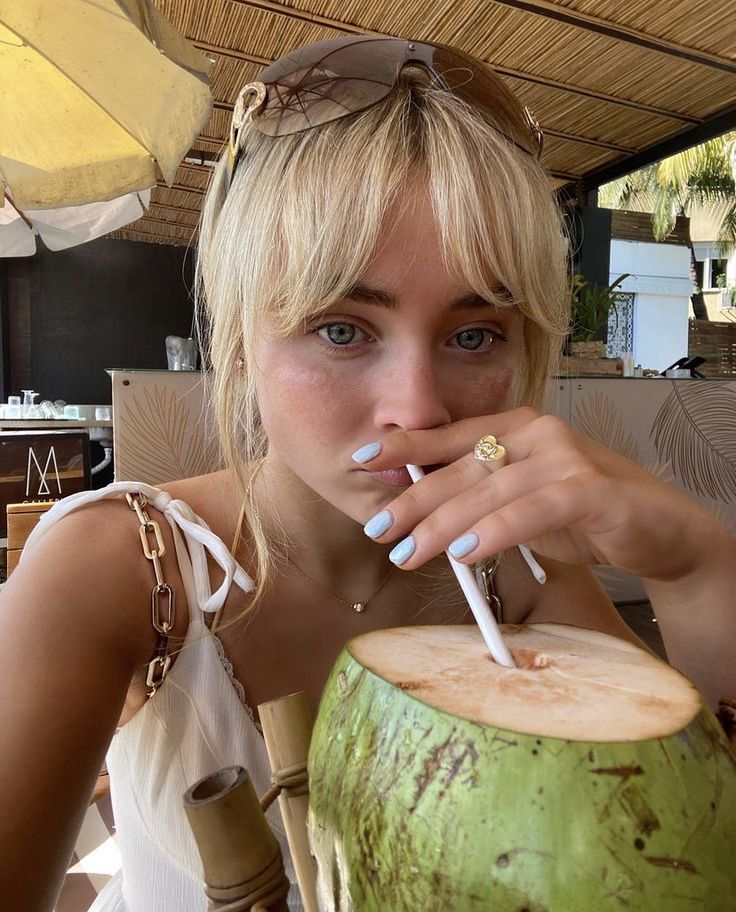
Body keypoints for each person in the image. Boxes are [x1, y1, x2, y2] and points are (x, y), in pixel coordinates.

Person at [1, 35, 733, 912]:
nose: (418, 411)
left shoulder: (518, 572)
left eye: (475, 334)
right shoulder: (128, 571)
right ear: (238, 341)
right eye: (342, 328)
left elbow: (679, 852)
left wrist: (696, 567)